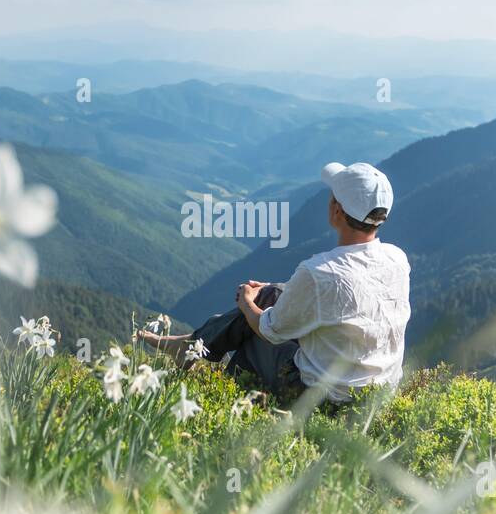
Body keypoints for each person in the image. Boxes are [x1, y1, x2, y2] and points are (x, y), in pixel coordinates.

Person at [143, 162, 410, 402]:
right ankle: (192, 345)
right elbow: (340, 295)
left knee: (255, 337)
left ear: (337, 210)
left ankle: (226, 402)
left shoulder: (320, 272)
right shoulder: (397, 259)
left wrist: (247, 302)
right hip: (378, 395)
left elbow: (269, 329)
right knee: (272, 293)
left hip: (326, 399)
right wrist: (273, 290)